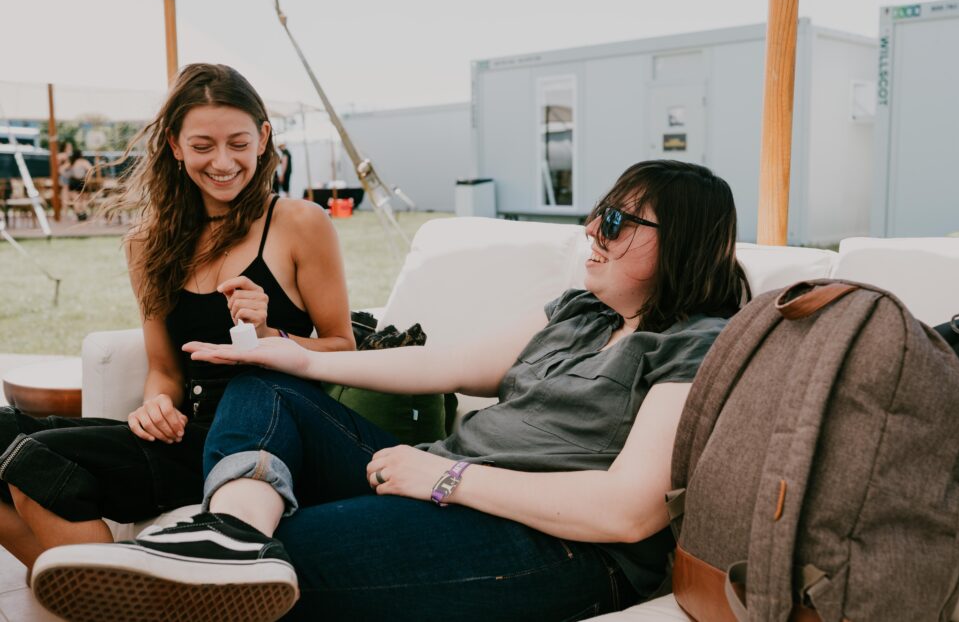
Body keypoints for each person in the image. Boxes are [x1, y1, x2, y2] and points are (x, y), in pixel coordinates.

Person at [33, 160, 748, 622]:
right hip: (440, 484)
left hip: (557, 546)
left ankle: (236, 553)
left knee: (290, 564)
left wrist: (446, 476)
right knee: (266, 380)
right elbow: (443, 365)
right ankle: (233, 532)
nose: (593, 228)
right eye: (599, 211)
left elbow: (625, 514)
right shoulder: (581, 312)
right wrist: (295, 355)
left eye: (619, 222)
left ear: (683, 242)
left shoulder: (696, 343)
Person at [0, 63, 354, 577]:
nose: (223, 161)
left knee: (36, 459)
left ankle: (109, 597)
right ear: (174, 145)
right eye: (203, 145)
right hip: (185, 434)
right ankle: (102, 595)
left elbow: (344, 348)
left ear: (263, 138)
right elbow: (164, 368)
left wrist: (270, 335)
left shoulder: (299, 223)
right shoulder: (148, 244)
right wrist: (154, 407)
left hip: (262, 439)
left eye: (237, 142)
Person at [65, 148, 93, 220]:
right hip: (82, 182)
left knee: (76, 200)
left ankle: (78, 214)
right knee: (83, 199)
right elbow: (91, 170)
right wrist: (88, 178)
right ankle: (83, 213)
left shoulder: (71, 163)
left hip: (73, 182)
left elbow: (63, 170)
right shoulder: (83, 162)